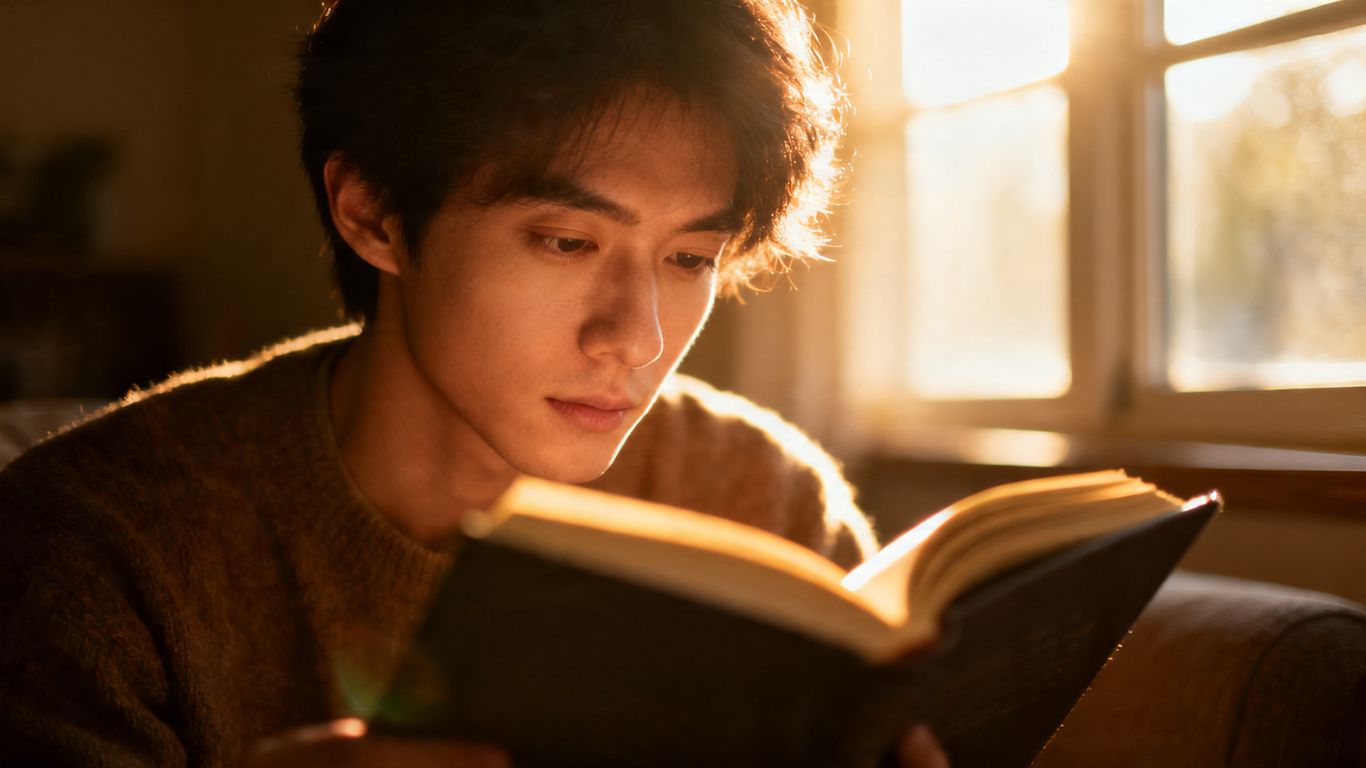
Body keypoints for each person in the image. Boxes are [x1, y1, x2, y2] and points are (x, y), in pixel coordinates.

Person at [0, 1, 948, 765]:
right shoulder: (95, 547)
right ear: (372, 214)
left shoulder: (766, 501)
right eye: (567, 242)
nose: (635, 338)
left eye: (689, 258)